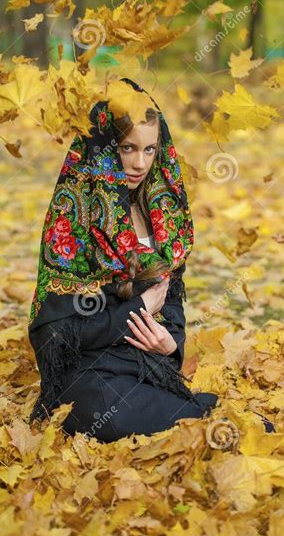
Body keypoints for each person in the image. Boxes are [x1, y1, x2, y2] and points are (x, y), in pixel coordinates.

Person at [26, 77, 220, 442]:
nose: (139, 163)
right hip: (88, 372)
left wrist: (171, 344)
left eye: (149, 150)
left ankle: (195, 422)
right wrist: (136, 310)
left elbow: (172, 300)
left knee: (143, 410)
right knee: (105, 413)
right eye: (127, 148)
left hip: (146, 365)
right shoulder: (74, 216)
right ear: (103, 148)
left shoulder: (161, 213)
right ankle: (196, 422)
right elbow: (56, 335)